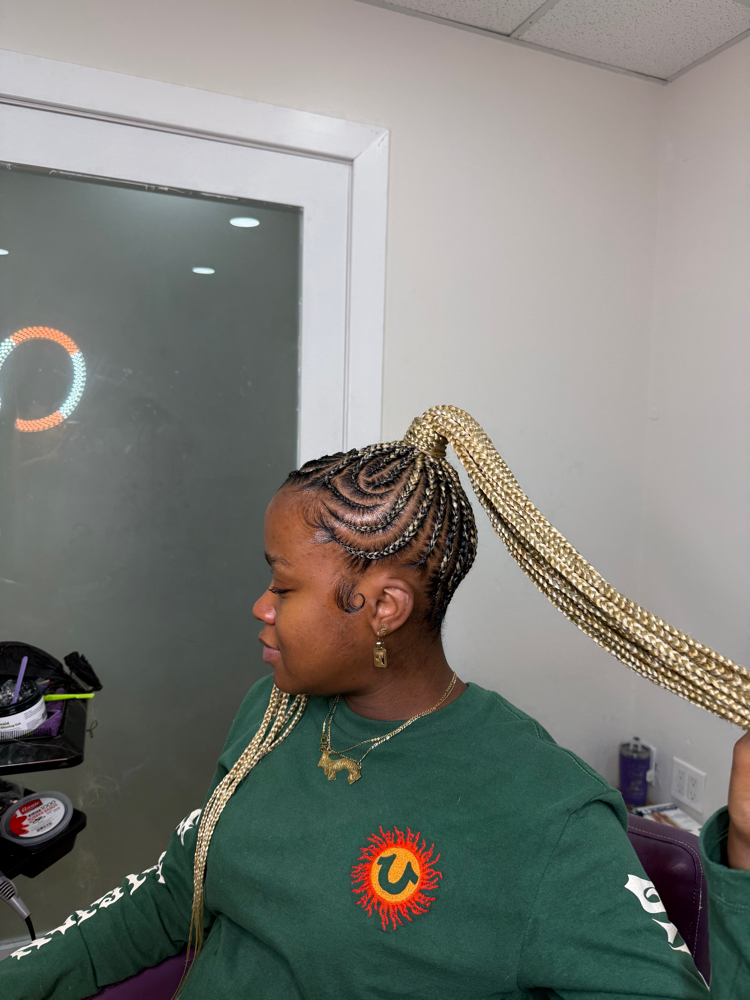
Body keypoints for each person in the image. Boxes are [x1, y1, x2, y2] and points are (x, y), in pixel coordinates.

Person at [1, 405, 749, 1000]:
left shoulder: (544, 815)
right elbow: (174, 891)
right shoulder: (272, 712)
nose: (261, 607)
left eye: (285, 586)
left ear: (383, 606)